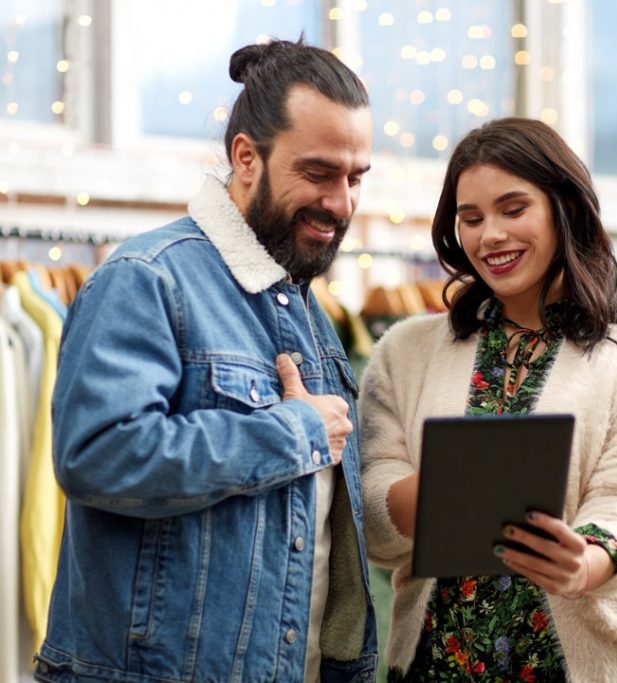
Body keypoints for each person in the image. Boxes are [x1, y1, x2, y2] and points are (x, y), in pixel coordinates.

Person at [35, 39, 377, 683]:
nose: (341, 202)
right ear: (246, 157)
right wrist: (293, 433)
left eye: (356, 177)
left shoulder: (311, 310)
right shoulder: (147, 280)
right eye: (319, 172)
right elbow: (98, 456)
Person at [355, 117, 617, 681]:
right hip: (435, 664)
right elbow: (368, 509)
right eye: (471, 218)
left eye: (514, 209)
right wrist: (442, 490)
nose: (490, 236)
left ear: (565, 210)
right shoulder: (403, 352)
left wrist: (583, 563)